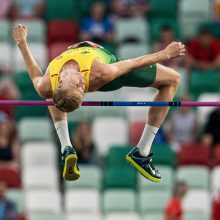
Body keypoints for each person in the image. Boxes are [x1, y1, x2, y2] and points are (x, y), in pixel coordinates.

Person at [12, 24, 185, 182]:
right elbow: (133, 63)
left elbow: (35, 75)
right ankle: (142, 152)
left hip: (85, 72)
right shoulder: (99, 73)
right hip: (114, 72)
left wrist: (22, 43)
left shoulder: (49, 82)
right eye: (81, 85)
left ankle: (67, 149)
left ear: (61, 82)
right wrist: (165, 54)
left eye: (79, 85)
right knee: (173, 79)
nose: (82, 81)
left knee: (49, 93)